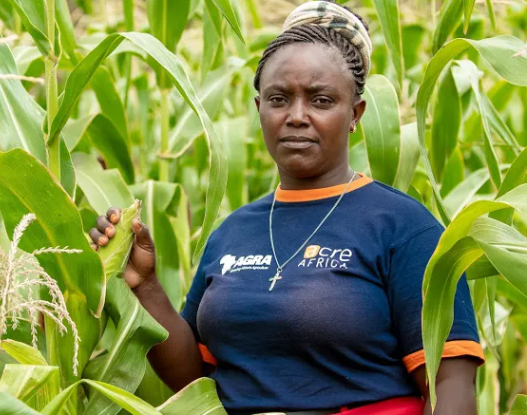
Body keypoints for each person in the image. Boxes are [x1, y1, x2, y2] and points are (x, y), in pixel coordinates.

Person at [89, 1, 484, 414]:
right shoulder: (233, 231)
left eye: (321, 100)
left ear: (355, 114)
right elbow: (194, 376)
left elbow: (451, 384)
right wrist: (145, 286)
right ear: (260, 109)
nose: (297, 116)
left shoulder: (404, 228)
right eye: (279, 99)